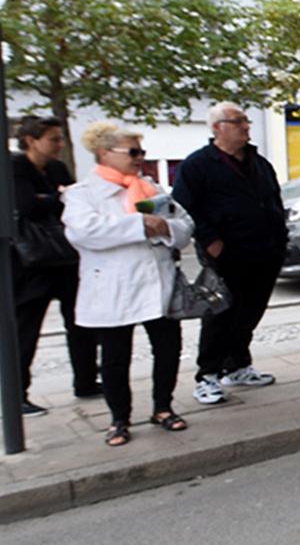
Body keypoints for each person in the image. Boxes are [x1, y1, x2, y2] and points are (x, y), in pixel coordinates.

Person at [62, 122, 194, 446]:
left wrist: (164, 228)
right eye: (133, 152)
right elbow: (84, 232)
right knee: (115, 355)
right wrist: (139, 225)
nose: (140, 158)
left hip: (157, 282)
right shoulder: (84, 193)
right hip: (114, 287)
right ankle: (119, 418)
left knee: (168, 347)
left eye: (142, 152)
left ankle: (163, 407)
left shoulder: (151, 188)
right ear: (104, 153)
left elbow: (185, 225)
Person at [172, 102, 288, 405]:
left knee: (251, 310)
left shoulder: (258, 162)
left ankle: (236, 365)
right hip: (227, 251)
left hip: (265, 249)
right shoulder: (198, 165)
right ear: (217, 127)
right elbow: (185, 206)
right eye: (237, 122)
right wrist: (210, 239)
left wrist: (280, 237)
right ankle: (207, 374)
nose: (245, 126)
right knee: (221, 312)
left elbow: (273, 200)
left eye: (246, 121)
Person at [11, 116, 100, 416]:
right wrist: (57, 197)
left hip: (64, 256)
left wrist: (53, 198)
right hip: (30, 261)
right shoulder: (15, 167)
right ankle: (16, 394)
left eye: (60, 139)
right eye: (53, 139)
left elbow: (74, 200)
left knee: (81, 321)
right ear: (31, 140)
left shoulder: (57, 168)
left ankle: (86, 380)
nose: (60, 145)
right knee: (26, 328)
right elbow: (26, 206)